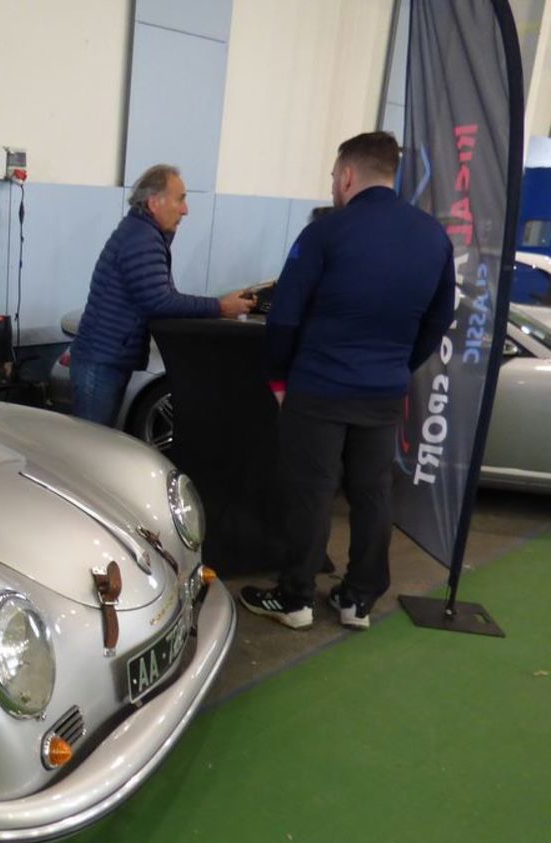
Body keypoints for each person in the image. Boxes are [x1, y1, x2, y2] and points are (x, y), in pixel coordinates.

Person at [239, 132, 454, 630]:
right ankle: (359, 600)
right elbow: (438, 319)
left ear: (349, 175)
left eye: (335, 174)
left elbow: (284, 316)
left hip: (318, 388)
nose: (334, 183)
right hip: (383, 392)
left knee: (311, 494)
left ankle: (295, 599)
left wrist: (278, 378)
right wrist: (398, 365)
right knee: (372, 494)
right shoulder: (433, 238)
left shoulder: (326, 233)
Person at [70, 164, 255, 425]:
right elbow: (159, 301)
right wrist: (221, 307)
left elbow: (164, 295)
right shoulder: (142, 239)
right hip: (101, 362)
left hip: (105, 358)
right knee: (91, 442)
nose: (185, 210)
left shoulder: (143, 234)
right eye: (180, 199)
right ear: (154, 203)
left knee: (96, 439)